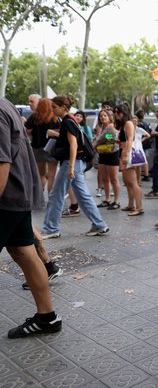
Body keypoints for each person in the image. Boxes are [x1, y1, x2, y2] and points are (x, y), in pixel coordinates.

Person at [0, 96, 62, 338]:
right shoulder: (6, 104)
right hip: (17, 194)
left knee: (25, 252)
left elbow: (2, 163)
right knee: (24, 251)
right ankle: (47, 317)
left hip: (6, 197)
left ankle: (48, 317)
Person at [40, 96, 109, 239]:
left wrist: (70, 167)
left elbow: (74, 144)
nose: (52, 110)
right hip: (75, 163)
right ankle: (99, 224)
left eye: (54, 107)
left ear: (63, 107)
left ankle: (51, 228)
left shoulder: (67, 121)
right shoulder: (70, 120)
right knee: (83, 196)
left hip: (71, 163)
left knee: (56, 195)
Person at [24, 97, 60, 195]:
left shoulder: (34, 116)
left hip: (37, 147)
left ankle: (39, 196)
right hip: (52, 148)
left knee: (41, 174)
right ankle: (51, 197)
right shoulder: (55, 118)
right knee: (52, 175)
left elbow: (27, 130)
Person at [114, 103, 144, 216]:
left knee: (133, 182)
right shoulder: (124, 124)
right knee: (128, 182)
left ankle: (139, 207)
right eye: (116, 112)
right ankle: (131, 204)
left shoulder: (128, 123)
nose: (116, 114)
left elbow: (130, 140)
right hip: (124, 152)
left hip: (128, 154)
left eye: (118, 112)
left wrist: (125, 155)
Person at [93, 109, 121, 210]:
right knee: (105, 178)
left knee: (113, 179)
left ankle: (117, 201)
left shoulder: (111, 127)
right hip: (103, 153)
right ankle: (107, 199)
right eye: (101, 116)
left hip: (112, 153)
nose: (103, 117)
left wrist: (99, 141)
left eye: (105, 115)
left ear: (109, 117)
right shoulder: (101, 127)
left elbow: (113, 138)